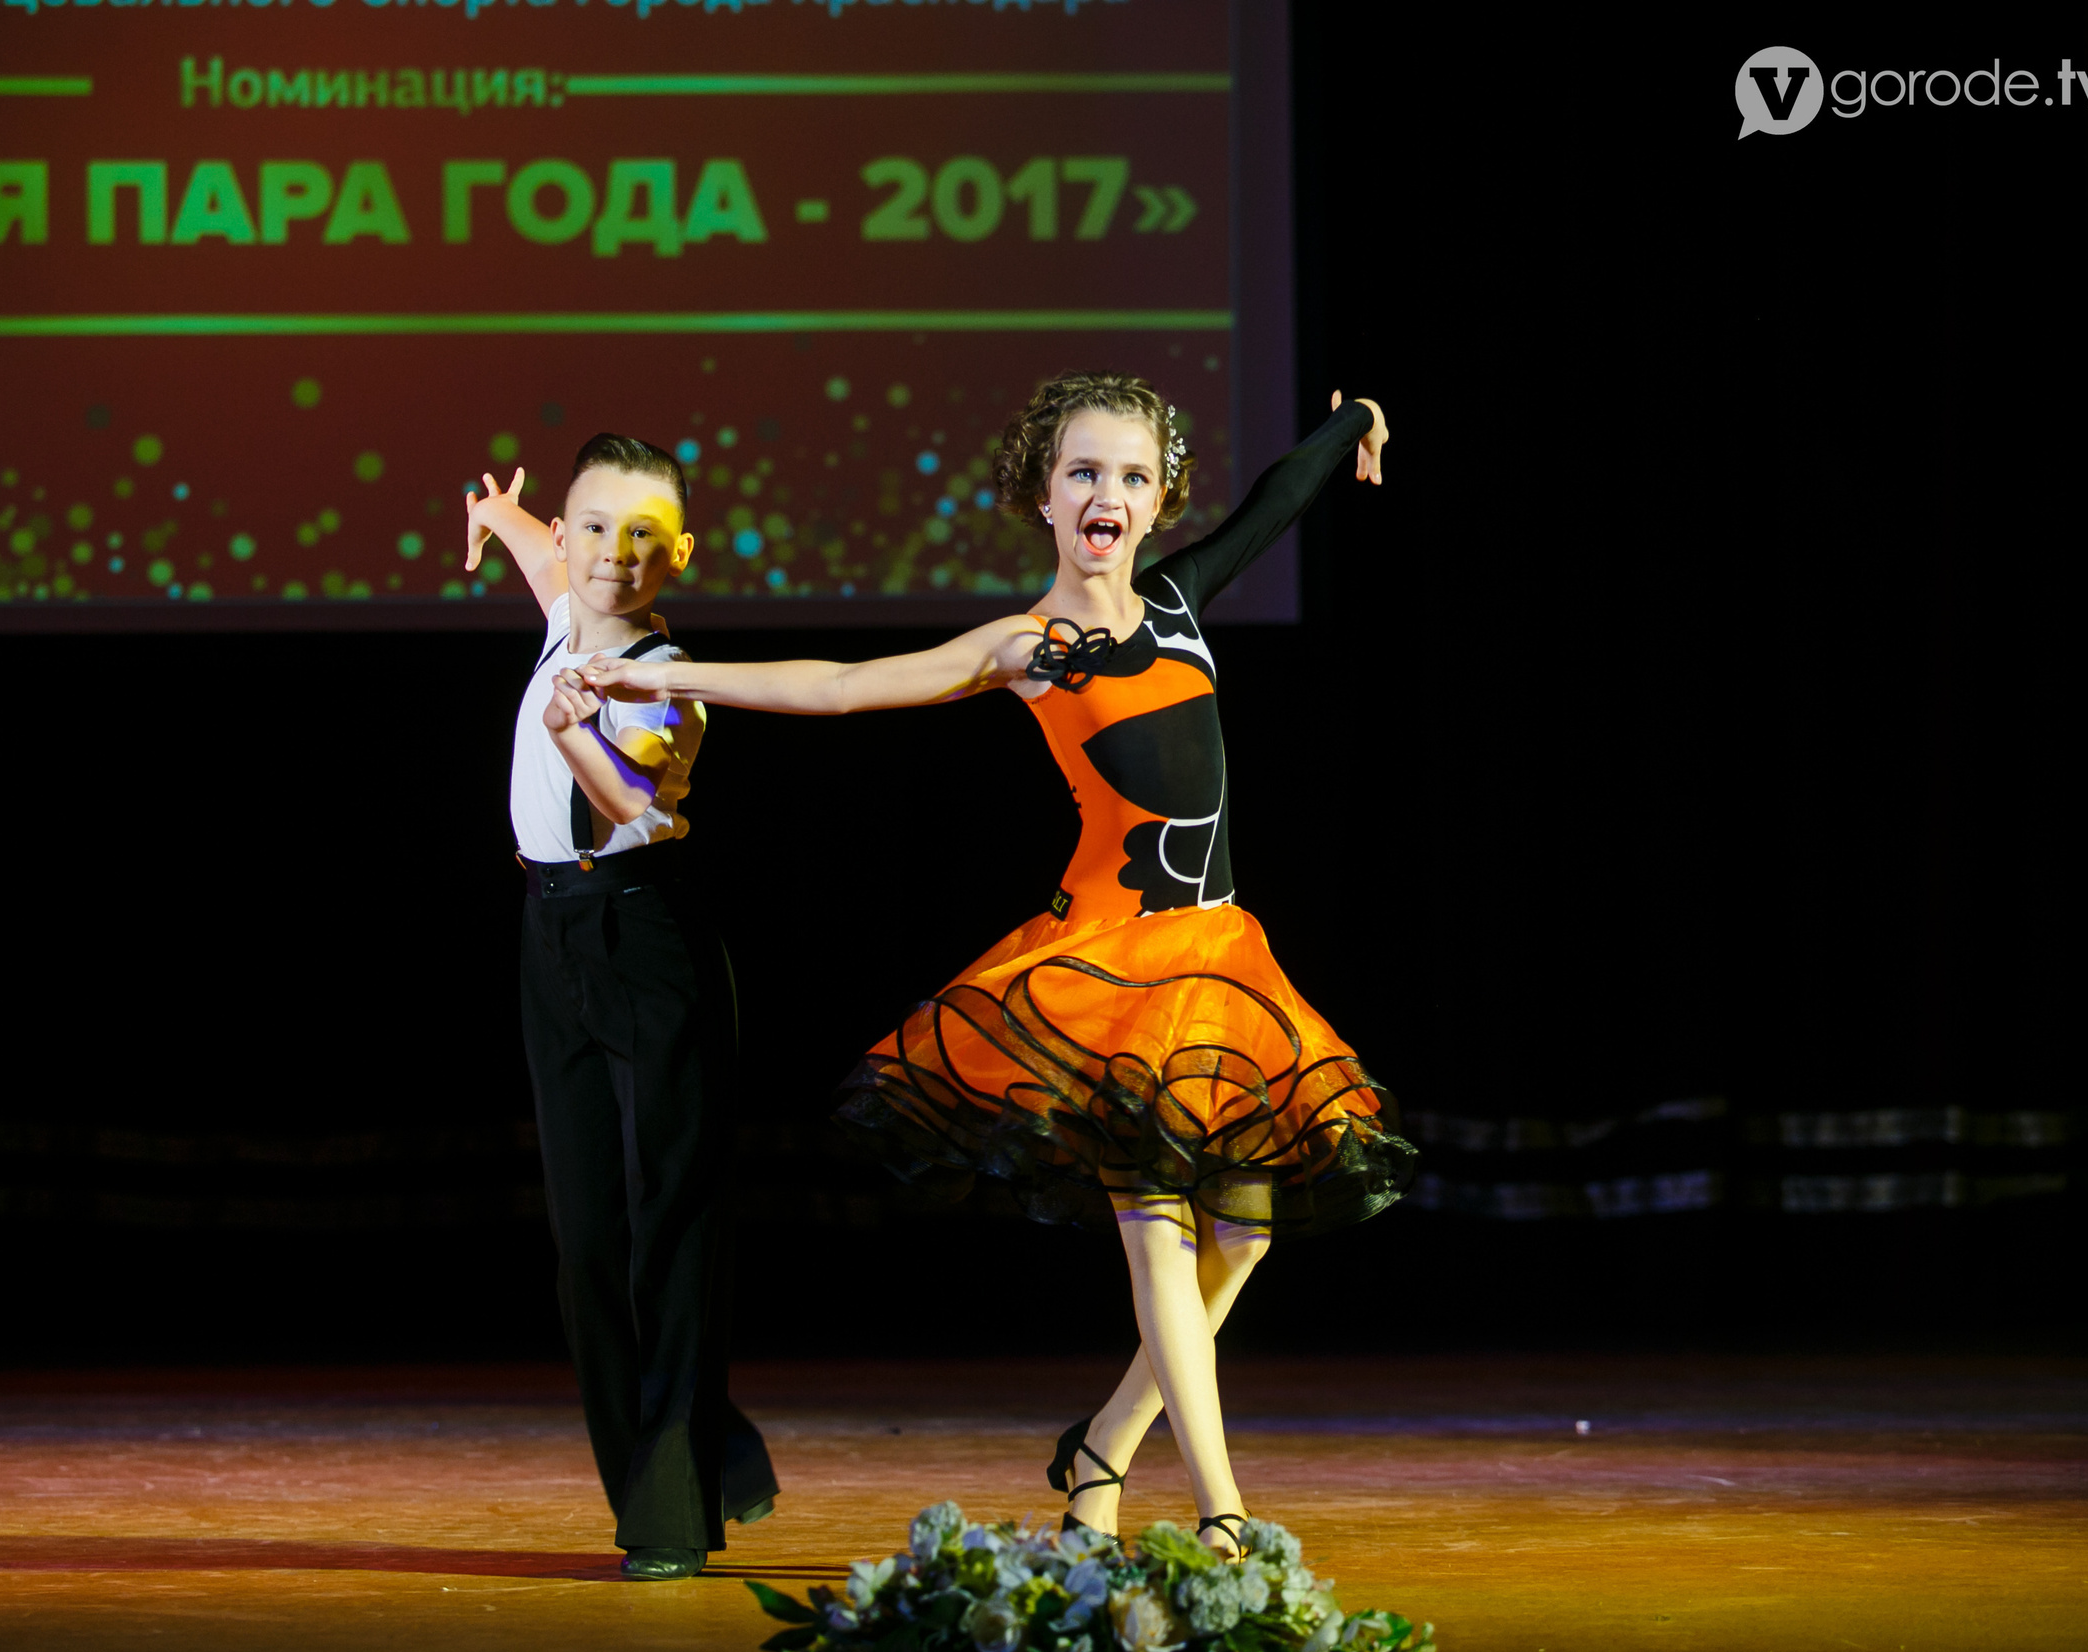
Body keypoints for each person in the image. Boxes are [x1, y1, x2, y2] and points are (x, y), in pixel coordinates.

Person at [581, 376, 1418, 1559]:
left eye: (1132, 477)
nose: (1107, 496)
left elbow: (1281, 496)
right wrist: (664, 675)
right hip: (1112, 968)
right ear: (1042, 491)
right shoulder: (1027, 646)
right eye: (1083, 472)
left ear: (1162, 498)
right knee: (1165, 1233)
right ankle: (1222, 1506)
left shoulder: (1180, 601)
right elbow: (842, 687)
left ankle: (1101, 1452)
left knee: (1247, 1236)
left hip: (1221, 959)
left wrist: (1354, 422)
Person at [468, 433, 779, 1581]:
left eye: (643, 535)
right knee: (586, 1238)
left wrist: (572, 732)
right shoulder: (565, 614)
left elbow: (638, 810)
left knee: (669, 1231)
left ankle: (669, 1509)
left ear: (679, 556)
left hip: (646, 937)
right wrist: (502, 518)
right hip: (551, 938)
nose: (611, 553)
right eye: (594, 526)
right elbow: (551, 566)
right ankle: (705, 1454)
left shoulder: (663, 677)